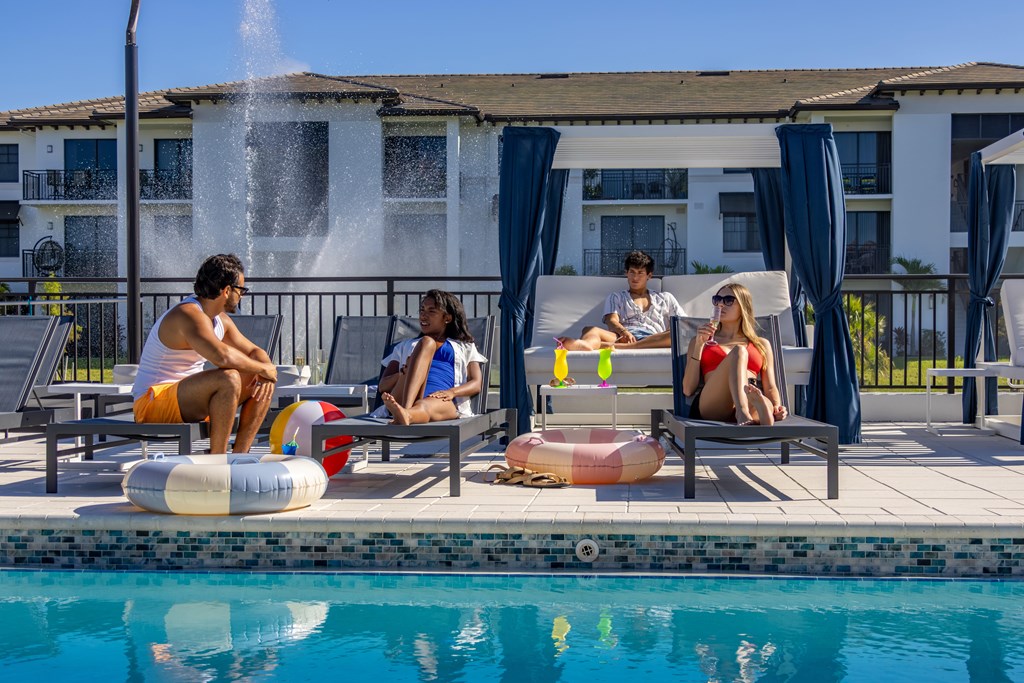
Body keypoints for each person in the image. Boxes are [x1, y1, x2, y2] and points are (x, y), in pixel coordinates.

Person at [131, 254, 277, 453]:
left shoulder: (220, 320)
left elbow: (254, 351)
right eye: (241, 290)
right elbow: (222, 356)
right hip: (152, 403)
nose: (242, 296)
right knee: (229, 378)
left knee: (259, 378)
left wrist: (266, 372)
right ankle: (218, 461)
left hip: (186, 400)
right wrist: (265, 369)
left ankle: (239, 456)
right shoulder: (188, 314)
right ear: (227, 290)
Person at [682, 283, 788, 426]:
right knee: (739, 351)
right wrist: (699, 346)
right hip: (714, 401)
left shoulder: (761, 344)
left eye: (728, 300)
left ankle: (763, 413)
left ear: (743, 306)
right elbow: (688, 389)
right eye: (717, 299)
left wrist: (777, 406)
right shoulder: (701, 340)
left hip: (749, 393)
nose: (720, 304)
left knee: (763, 402)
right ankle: (742, 411)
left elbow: (770, 386)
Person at [375, 289, 486, 425]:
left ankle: (406, 414)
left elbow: (476, 384)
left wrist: (452, 392)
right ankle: (406, 410)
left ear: (447, 318)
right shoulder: (405, 346)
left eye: (431, 311)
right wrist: (403, 373)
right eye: (422, 310)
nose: (423, 316)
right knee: (427, 342)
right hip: (402, 397)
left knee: (424, 405)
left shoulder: (465, 347)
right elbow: (383, 386)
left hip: (439, 400)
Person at [557, 250, 685, 350]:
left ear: (649, 276)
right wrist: (624, 332)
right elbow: (611, 320)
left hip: (655, 338)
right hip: (623, 337)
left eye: (640, 273)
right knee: (590, 330)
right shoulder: (616, 297)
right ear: (626, 273)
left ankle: (622, 348)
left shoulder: (665, 298)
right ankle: (586, 345)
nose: (635, 277)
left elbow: (683, 324)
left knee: (675, 334)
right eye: (632, 272)